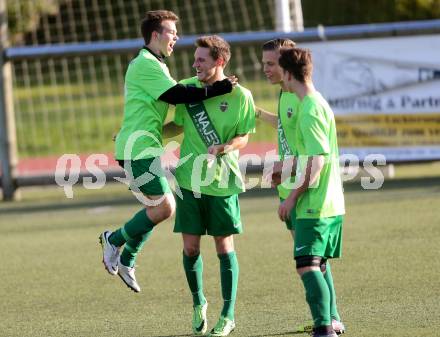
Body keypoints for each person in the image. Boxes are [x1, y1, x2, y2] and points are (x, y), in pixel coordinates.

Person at [99, 10, 236, 293]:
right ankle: (113, 240)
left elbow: (175, 98)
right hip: (138, 148)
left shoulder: (156, 64)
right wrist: (217, 89)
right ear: (156, 35)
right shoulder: (145, 63)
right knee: (165, 207)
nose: (176, 38)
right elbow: (177, 96)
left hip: (141, 145)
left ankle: (127, 259)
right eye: (172, 32)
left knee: (155, 208)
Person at [163, 35, 255, 336]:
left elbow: (245, 135)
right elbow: (178, 125)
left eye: (201, 59)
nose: (195, 64)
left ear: (220, 61)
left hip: (222, 181)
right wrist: (138, 132)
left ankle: (228, 314)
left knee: (224, 246)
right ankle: (198, 302)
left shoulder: (242, 96)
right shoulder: (187, 87)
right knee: (190, 249)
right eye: (195, 59)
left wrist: (228, 147)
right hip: (189, 179)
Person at [276, 47, 346, 337]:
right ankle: (328, 323)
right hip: (328, 202)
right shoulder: (315, 104)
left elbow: (316, 163)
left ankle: (324, 328)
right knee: (315, 264)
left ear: (289, 74)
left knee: (307, 265)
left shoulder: (310, 108)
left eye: (279, 70)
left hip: (315, 205)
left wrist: (291, 198)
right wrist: (284, 168)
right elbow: (312, 157)